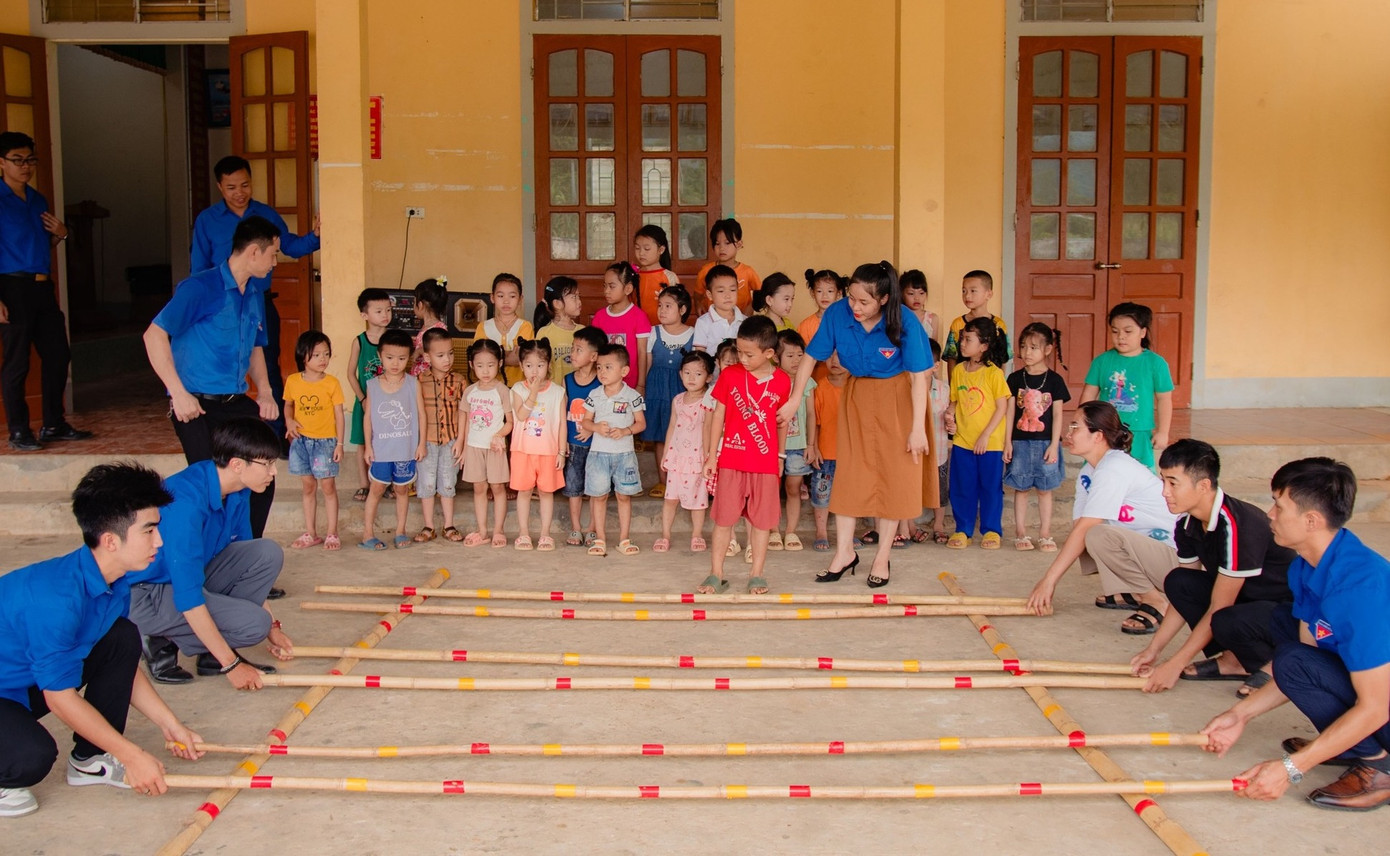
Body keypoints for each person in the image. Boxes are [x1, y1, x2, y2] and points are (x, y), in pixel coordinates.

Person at [0, 462, 204, 817]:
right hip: (17, 687)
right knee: (30, 758)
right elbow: (60, 698)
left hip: (22, 680)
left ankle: (88, 759)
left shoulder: (114, 581)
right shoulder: (55, 600)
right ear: (111, 540)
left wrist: (169, 724)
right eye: (150, 531)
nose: (160, 541)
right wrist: (132, 755)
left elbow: (122, 664)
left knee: (121, 636)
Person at [1202, 457, 1390, 812]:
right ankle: (1351, 744)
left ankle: (1380, 767)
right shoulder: (1307, 565)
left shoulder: (1362, 588)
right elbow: (1304, 663)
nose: (1269, 514)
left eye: (1279, 505)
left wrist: (1291, 769)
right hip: (1375, 695)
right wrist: (1239, 715)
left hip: (1382, 706)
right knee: (1293, 655)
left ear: (1311, 520)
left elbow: (1376, 706)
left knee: (1293, 658)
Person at [781, 261, 935, 589]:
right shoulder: (838, 314)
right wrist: (795, 399)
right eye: (851, 298)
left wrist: (918, 428)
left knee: (893, 477)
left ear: (883, 300)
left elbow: (920, 375)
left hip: (898, 398)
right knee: (850, 475)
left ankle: (881, 557)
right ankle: (844, 553)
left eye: (863, 302)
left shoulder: (903, 319)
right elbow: (810, 357)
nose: (855, 306)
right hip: (856, 395)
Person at [143, 216, 283, 547]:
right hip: (196, 406)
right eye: (273, 254)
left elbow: (255, 349)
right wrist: (178, 393)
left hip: (235, 402)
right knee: (214, 484)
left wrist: (265, 392)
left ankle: (247, 560)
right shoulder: (200, 288)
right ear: (253, 252)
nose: (276, 262)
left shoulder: (253, 294)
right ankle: (211, 559)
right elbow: (154, 335)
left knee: (262, 476)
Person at [127, 419, 293, 688]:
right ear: (238, 464)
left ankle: (210, 655)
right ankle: (158, 637)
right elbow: (188, 596)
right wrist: (233, 665)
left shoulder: (237, 490)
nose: (273, 472)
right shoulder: (185, 503)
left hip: (188, 579)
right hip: (147, 592)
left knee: (265, 553)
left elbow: (244, 557)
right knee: (253, 625)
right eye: (268, 464)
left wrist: (274, 627)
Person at [1131, 439, 1294, 696]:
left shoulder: (1237, 524)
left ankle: (1269, 663)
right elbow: (1182, 596)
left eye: (1173, 483)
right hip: (1245, 602)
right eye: (1163, 481)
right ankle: (1234, 658)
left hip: (1284, 613)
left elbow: (1220, 606)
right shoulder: (1187, 523)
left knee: (1225, 618)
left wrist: (1176, 663)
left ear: (1204, 485)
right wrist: (1155, 650)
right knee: (1179, 581)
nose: (1164, 491)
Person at [191, 155, 321, 446]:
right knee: (222, 365)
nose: (239, 193)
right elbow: (199, 269)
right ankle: (219, 436)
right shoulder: (207, 221)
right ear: (219, 187)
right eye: (231, 187)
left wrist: (315, 236)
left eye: (245, 185)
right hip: (220, 308)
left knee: (269, 367)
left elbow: (291, 246)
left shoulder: (265, 215)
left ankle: (274, 436)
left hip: (259, 304)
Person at [1026, 401, 1180, 634]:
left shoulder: (1114, 467)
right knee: (1086, 534)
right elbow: (1079, 526)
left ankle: (1155, 600)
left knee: (1097, 534)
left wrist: (1049, 581)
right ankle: (1133, 589)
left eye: (1075, 427)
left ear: (1098, 436)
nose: (1069, 434)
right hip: (1148, 553)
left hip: (1176, 561)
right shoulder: (1089, 472)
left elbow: (1088, 528)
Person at [0, 131, 91, 451]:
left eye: (30, 160)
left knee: (58, 354)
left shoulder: (37, 199)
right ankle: (19, 430)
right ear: (1, 162)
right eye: (17, 160)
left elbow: (39, 245)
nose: (25, 167)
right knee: (17, 362)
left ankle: (53, 423)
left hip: (41, 285)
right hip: (10, 286)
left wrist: (62, 235)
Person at [698, 316, 790, 595]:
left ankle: (757, 574)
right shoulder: (730, 375)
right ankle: (716, 574)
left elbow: (782, 422)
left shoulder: (783, 382)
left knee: (762, 522)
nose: (742, 358)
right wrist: (712, 456)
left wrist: (781, 457)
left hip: (764, 463)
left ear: (769, 353)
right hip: (731, 460)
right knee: (724, 520)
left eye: (749, 354)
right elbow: (718, 416)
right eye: (739, 351)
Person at [1080, 301, 1174, 469]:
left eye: (1128, 331)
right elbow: (1088, 395)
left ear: (1143, 332)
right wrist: (1082, 425)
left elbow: (1164, 399)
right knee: (1100, 472)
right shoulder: (1102, 361)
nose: (1120, 336)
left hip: (1139, 431)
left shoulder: (1156, 363)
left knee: (1138, 474)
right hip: (1104, 431)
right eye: (1115, 331)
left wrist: (1163, 432)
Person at [944, 317, 1010, 551]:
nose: (962, 343)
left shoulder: (994, 374)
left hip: (990, 443)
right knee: (963, 486)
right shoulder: (959, 371)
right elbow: (954, 402)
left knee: (990, 487)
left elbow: (1002, 407)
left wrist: (985, 435)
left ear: (983, 345)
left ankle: (991, 529)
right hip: (963, 441)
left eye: (968, 339)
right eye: (962, 338)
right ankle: (963, 529)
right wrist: (949, 416)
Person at [1004, 323, 1070, 551]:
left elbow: (1059, 414)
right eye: (1023, 347)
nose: (1027, 352)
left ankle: (1045, 533)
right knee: (1021, 489)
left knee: (1044, 490)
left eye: (1033, 347)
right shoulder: (1014, 379)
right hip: (1020, 443)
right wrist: (1007, 444)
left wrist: (1054, 444)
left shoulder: (1055, 381)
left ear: (1048, 349)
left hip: (1045, 444)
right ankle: (1021, 532)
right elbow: (1010, 412)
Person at [580, 343, 647, 557]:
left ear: (624, 371)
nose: (602, 372)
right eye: (599, 367)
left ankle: (624, 539)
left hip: (624, 455)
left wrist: (626, 431)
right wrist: (596, 427)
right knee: (598, 496)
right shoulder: (595, 394)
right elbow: (585, 422)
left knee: (623, 496)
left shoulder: (632, 396)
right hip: (598, 454)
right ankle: (600, 539)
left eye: (608, 367)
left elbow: (641, 424)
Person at [360, 329, 424, 550]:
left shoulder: (412, 383)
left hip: (405, 450)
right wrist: (368, 446)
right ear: (380, 356)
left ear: (409, 357)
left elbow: (421, 414)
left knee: (402, 490)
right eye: (389, 358)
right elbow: (367, 418)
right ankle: (367, 533)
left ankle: (400, 531)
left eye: (402, 358)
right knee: (376, 489)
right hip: (381, 451)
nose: (395, 363)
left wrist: (421, 443)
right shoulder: (373, 385)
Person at [283, 330, 345, 551]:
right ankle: (311, 532)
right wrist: (289, 421)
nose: (323, 359)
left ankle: (332, 533)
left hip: (326, 443)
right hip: (301, 442)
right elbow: (288, 404)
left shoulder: (332, 383)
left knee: (328, 487)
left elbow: (339, 414)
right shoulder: (292, 381)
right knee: (308, 487)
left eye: (326, 354)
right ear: (303, 356)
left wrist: (339, 444)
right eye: (317, 354)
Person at [509, 338, 566, 552]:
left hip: (548, 451)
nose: (535, 370)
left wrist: (561, 451)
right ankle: (523, 533)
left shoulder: (558, 392)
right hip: (522, 451)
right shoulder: (516, 389)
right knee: (523, 492)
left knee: (545, 492)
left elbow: (561, 425)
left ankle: (545, 534)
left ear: (548, 365)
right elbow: (521, 416)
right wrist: (532, 393)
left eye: (540, 365)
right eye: (529, 365)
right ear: (522, 366)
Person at [657, 350, 715, 554]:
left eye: (698, 374)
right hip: (677, 457)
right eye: (687, 372)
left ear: (708, 377)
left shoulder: (710, 400)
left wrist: (709, 457)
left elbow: (709, 429)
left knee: (698, 500)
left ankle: (696, 534)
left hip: (698, 458)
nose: (691, 378)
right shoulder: (678, 400)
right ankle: (665, 535)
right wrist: (666, 453)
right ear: (680, 374)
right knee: (670, 498)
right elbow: (673, 425)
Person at [457, 338, 512, 548]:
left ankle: (498, 530)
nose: (485, 370)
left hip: (495, 449)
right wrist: (462, 445)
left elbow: (510, 422)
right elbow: (464, 418)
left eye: (490, 365)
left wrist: (499, 436)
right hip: (474, 447)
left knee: (497, 488)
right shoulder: (470, 391)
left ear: (499, 363)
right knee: (479, 488)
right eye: (480, 366)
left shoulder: (502, 390)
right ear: (472, 365)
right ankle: (482, 531)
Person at [641, 285, 695, 499]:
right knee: (661, 437)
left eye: (668, 306)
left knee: (683, 436)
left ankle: (683, 479)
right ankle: (664, 481)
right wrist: (643, 388)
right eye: (660, 305)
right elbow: (647, 362)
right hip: (657, 392)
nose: (662, 310)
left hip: (682, 391)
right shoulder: (653, 333)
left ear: (682, 310)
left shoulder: (693, 333)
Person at [413, 328, 466, 544]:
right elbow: (416, 414)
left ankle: (449, 525)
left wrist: (461, 441)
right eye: (440, 355)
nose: (448, 359)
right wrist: (418, 444)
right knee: (426, 483)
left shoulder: (459, 381)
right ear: (427, 357)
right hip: (426, 442)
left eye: (451, 353)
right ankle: (428, 526)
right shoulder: (418, 381)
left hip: (451, 441)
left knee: (447, 482)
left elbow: (465, 414)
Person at [561, 327, 605, 547]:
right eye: (572, 348)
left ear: (594, 357)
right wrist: (562, 444)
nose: (573, 353)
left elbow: (607, 413)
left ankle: (592, 528)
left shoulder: (602, 382)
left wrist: (591, 428)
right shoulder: (567, 380)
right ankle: (577, 528)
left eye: (578, 350)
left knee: (596, 488)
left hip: (596, 445)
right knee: (574, 488)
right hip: (573, 445)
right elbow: (561, 415)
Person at [347, 288, 393, 501]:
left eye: (388, 310)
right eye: (378, 311)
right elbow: (351, 373)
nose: (385, 315)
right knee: (362, 443)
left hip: (389, 402)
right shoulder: (360, 341)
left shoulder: (393, 340)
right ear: (364, 315)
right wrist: (362, 399)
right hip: (365, 403)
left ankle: (389, 483)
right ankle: (364, 484)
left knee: (389, 441)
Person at [775, 330, 816, 552]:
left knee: (793, 488)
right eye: (789, 356)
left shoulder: (807, 382)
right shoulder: (772, 380)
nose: (796, 360)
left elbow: (811, 415)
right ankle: (772, 531)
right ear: (776, 357)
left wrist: (810, 444)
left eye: (800, 355)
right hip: (772, 447)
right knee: (771, 489)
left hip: (798, 447)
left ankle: (790, 531)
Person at [591, 262, 652, 396]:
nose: (606, 291)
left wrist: (641, 384)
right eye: (605, 286)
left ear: (628, 289)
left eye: (612, 286)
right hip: (604, 384)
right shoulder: (599, 317)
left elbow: (643, 352)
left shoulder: (639, 317)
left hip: (631, 385)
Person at [809, 350, 847, 553]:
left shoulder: (855, 386)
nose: (835, 361)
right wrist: (814, 447)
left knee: (848, 495)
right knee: (821, 494)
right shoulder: (820, 386)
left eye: (841, 356)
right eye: (831, 356)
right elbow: (814, 421)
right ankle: (821, 532)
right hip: (825, 452)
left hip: (850, 455)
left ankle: (846, 535)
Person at [941, 269, 1011, 374]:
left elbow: (1003, 358)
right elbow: (952, 358)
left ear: (989, 294)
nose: (967, 296)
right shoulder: (958, 324)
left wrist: (1002, 382)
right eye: (964, 291)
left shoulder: (999, 324)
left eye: (973, 291)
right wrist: (953, 385)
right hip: (964, 383)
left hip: (990, 385)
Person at [473, 273, 532, 386]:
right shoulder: (483, 327)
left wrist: (494, 356)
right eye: (500, 296)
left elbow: (521, 358)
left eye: (512, 296)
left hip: (518, 388)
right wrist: (509, 356)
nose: (506, 301)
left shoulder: (525, 326)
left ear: (520, 299)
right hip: (489, 387)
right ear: (492, 297)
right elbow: (479, 358)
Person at [693, 218, 760, 315]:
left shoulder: (747, 271)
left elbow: (760, 292)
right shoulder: (706, 270)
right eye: (717, 244)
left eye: (727, 243)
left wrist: (749, 309)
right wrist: (698, 304)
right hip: (713, 322)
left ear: (739, 244)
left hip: (742, 324)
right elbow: (698, 293)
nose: (722, 248)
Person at [796, 268, 846, 386]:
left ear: (838, 293)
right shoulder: (806, 325)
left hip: (842, 383)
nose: (824, 296)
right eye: (819, 291)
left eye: (830, 291)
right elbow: (803, 357)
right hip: (815, 381)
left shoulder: (846, 322)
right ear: (812, 293)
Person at [534, 276, 584, 385]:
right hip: (553, 396)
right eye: (574, 297)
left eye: (579, 296)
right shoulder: (544, 333)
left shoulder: (583, 332)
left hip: (578, 394)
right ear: (557, 304)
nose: (579, 301)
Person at [692, 265, 747, 354]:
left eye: (732, 290)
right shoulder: (703, 322)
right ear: (709, 295)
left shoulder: (746, 322)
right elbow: (700, 355)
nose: (728, 295)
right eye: (721, 291)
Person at [633, 224, 680, 326]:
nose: (641, 253)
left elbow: (677, 306)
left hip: (663, 330)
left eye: (647, 249)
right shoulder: (633, 276)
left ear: (661, 250)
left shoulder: (670, 277)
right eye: (637, 248)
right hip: (638, 329)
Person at [409, 276, 449, 377]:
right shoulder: (426, 327)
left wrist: (420, 350)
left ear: (420, 305)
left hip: (430, 380)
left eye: (414, 303)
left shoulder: (439, 328)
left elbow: (440, 350)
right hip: (419, 378)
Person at [899, 269, 940, 343]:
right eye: (911, 293)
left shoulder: (932, 319)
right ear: (902, 294)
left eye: (921, 293)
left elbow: (934, 348)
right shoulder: (897, 317)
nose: (917, 298)